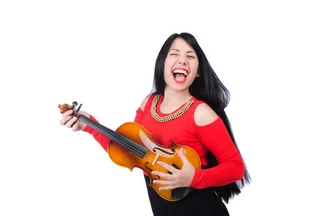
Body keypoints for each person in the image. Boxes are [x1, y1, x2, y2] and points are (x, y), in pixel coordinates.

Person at [59, 32, 251, 216]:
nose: (182, 60)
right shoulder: (149, 103)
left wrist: (194, 178)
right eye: (174, 54)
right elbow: (126, 152)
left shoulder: (201, 113)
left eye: (190, 56)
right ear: (162, 64)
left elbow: (235, 167)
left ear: (198, 71)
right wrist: (88, 124)